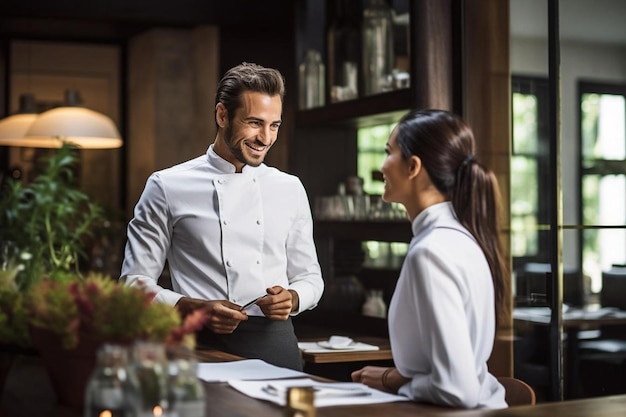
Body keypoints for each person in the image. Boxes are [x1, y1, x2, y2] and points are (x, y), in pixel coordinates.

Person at [120, 62, 324, 370]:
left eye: (274, 126)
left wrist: (293, 298)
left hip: (274, 344)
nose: (265, 138)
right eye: (254, 123)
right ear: (222, 115)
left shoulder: (290, 188)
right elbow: (133, 283)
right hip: (196, 344)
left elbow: (310, 277)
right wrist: (188, 307)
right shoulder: (167, 185)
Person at [351, 109, 508, 409]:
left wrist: (396, 382)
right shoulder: (462, 237)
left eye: (388, 152)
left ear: (413, 166)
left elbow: (457, 391)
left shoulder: (431, 251)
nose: (382, 166)